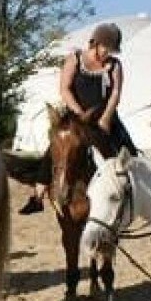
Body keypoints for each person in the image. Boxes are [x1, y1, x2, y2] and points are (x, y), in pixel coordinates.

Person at [20, 22, 136, 214]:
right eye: (107, 48)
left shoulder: (114, 66)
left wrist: (106, 117)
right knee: (55, 151)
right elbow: (64, 88)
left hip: (103, 117)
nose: (109, 53)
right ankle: (37, 196)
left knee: (128, 150)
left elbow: (115, 93)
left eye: (112, 50)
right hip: (76, 115)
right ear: (96, 44)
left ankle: (129, 195)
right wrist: (78, 111)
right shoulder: (75, 59)